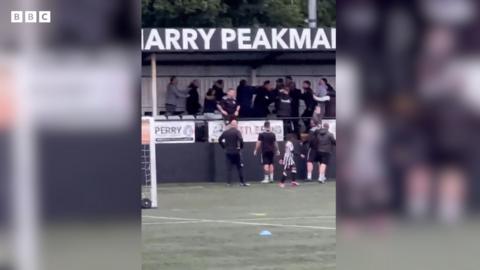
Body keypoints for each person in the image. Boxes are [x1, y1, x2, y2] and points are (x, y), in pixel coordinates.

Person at [218, 120, 250, 187]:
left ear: (230, 125)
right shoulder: (237, 132)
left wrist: (224, 147)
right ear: (235, 125)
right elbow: (241, 139)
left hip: (228, 152)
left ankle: (228, 183)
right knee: (240, 167)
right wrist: (241, 147)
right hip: (236, 152)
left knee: (229, 168)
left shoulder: (226, 132)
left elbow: (219, 140)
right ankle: (242, 182)